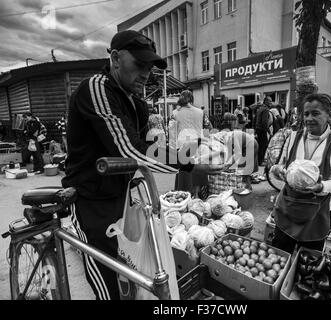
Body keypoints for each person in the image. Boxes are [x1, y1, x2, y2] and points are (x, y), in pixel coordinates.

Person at [61, 30, 224, 300]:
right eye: (139, 65)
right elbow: (129, 149)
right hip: (91, 200)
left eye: (149, 67)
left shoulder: (136, 102)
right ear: (115, 58)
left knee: (130, 268)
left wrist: (160, 183)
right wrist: (190, 164)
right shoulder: (97, 88)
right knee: (107, 277)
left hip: (122, 195)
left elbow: (147, 148)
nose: (146, 73)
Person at [269, 93, 331, 254]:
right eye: (306, 114)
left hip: (319, 214)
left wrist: (320, 187)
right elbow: (279, 165)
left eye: (315, 113)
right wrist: (276, 170)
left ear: (329, 115)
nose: (309, 119)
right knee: (279, 254)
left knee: (308, 262)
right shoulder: (292, 138)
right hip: (288, 208)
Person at [173, 90, 208, 197]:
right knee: (197, 168)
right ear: (192, 99)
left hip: (182, 143)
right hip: (197, 142)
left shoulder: (175, 113)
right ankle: (197, 194)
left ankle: (184, 194)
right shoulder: (200, 112)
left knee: (184, 170)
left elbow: (172, 130)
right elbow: (206, 126)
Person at [255, 97, 273, 165]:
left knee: (259, 145)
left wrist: (255, 130)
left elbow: (255, 119)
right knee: (264, 145)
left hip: (258, 129)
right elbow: (264, 122)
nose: (271, 103)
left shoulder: (260, 109)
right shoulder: (265, 109)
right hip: (262, 130)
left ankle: (258, 160)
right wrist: (269, 131)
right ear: (266, 102)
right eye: (270, 101)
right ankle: (260, 161)